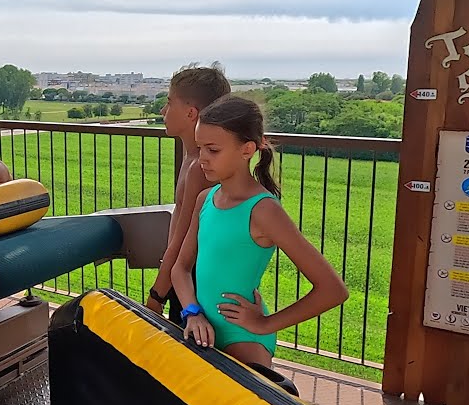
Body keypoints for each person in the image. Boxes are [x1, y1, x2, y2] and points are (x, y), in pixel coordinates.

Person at [170, 96, 348, 369]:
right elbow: (180, 268)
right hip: (200, 330)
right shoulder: (205, 198)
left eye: (213, 150)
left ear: (247, 149)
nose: (202, 158)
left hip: (242, 339)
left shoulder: (263, 211)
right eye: (200, 147)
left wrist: (265, 323)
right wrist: (192, 312)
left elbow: (333, 290)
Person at [146, 64, 231, 325]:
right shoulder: (195, 159)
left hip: (190, 283)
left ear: (191, 113)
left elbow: (183, 239)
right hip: (191, 277)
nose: (163, 110)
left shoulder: (198, 168)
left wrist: (156, 295)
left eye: (169, 102)